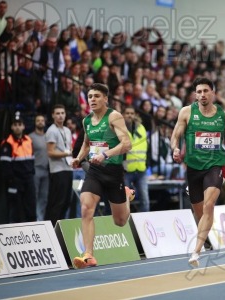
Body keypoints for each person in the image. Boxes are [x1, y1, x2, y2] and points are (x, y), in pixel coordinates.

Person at [171, 77, 225, 267]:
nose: (202, 95)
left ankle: (196, 251)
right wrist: (175, 149)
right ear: (195, 94)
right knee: (200, 213)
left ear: (213, 93)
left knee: (209, 205)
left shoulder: (224, 116)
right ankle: (206, 237)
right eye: (199, 92)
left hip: (215, 165)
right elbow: (175, 135)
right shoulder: (186, 112)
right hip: (193, 167)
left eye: (205, 91)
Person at [70, 83, 134, 269]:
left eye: (97, 96)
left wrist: (106, 154)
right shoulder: (87, 121)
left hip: (113, 173)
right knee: (86, 208)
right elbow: (87, 144)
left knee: (120, 221)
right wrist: (79, 158)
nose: (92, 100)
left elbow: (127, 144)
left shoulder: (114, 116)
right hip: (95, 172)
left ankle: (127, 195)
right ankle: (88, 254)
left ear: (106, 98)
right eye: (90, 96)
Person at [0, 112, 36, 223]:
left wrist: (31, 174)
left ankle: (32, 231)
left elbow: (32, 159)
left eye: (19, 124)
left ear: (23, 126)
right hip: (15, 181)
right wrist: (11, 181)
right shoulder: (7, 143)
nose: (17, 127)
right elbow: (6, 166)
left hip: (29, 179)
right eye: (15, 124)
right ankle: (14, 234)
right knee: (15, 208)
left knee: (31, 207)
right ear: (11, 127)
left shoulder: (28, 141)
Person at [44, 104, 73, 226]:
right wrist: (66, 154)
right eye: (57, 113)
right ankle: (51, 227)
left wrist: (70, 155)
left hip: (68, 168)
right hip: (57, 170)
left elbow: (69, 148)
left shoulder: (67, 130)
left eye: (62, 113)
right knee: (57, 202)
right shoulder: (52, 130)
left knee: (66, 201)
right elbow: (50, 152)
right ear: (53, 115)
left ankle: (59, 227)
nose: (60, 116)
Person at [123, 106, 150, 212]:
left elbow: (147, 147)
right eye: (127, 113)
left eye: (132, 113)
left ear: (135, 115)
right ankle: (125, 224)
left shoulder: (141, 128)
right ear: (123, 115)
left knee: (145, 200)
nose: (130, 115)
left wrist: (147, 163)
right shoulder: (120, 128)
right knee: (124, 200)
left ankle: (145, 224)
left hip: (141, 169)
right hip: (126, 170)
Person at [29, 114, 49, 221]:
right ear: (35, 122)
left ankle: (40, 220)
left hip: (47, 170)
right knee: (35, 196)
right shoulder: (30, 137)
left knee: (44, 197)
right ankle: (34, 219)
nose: (40, 122)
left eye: (42, 120)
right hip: (36, 169)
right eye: (38, 120)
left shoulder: (48, 137)